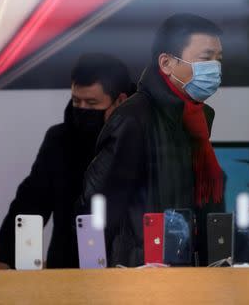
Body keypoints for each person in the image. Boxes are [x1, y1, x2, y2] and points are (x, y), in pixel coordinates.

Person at [78, 14, 225, 267]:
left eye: (218, 59)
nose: (215, 68)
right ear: (166, 63)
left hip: (187, 271)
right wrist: (98, 276)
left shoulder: (198, 117)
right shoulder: (134, 117)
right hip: (141, 275)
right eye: (205, 58)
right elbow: (95, 203)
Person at [0, 53, 133, 269]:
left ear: (120, 101)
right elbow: (30, 201)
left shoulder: (140, 140)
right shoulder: (58, 140)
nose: (83, 109)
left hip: (128, 271)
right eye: (77, 101)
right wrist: (3, 257)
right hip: (66, 270)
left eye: (92, 103)